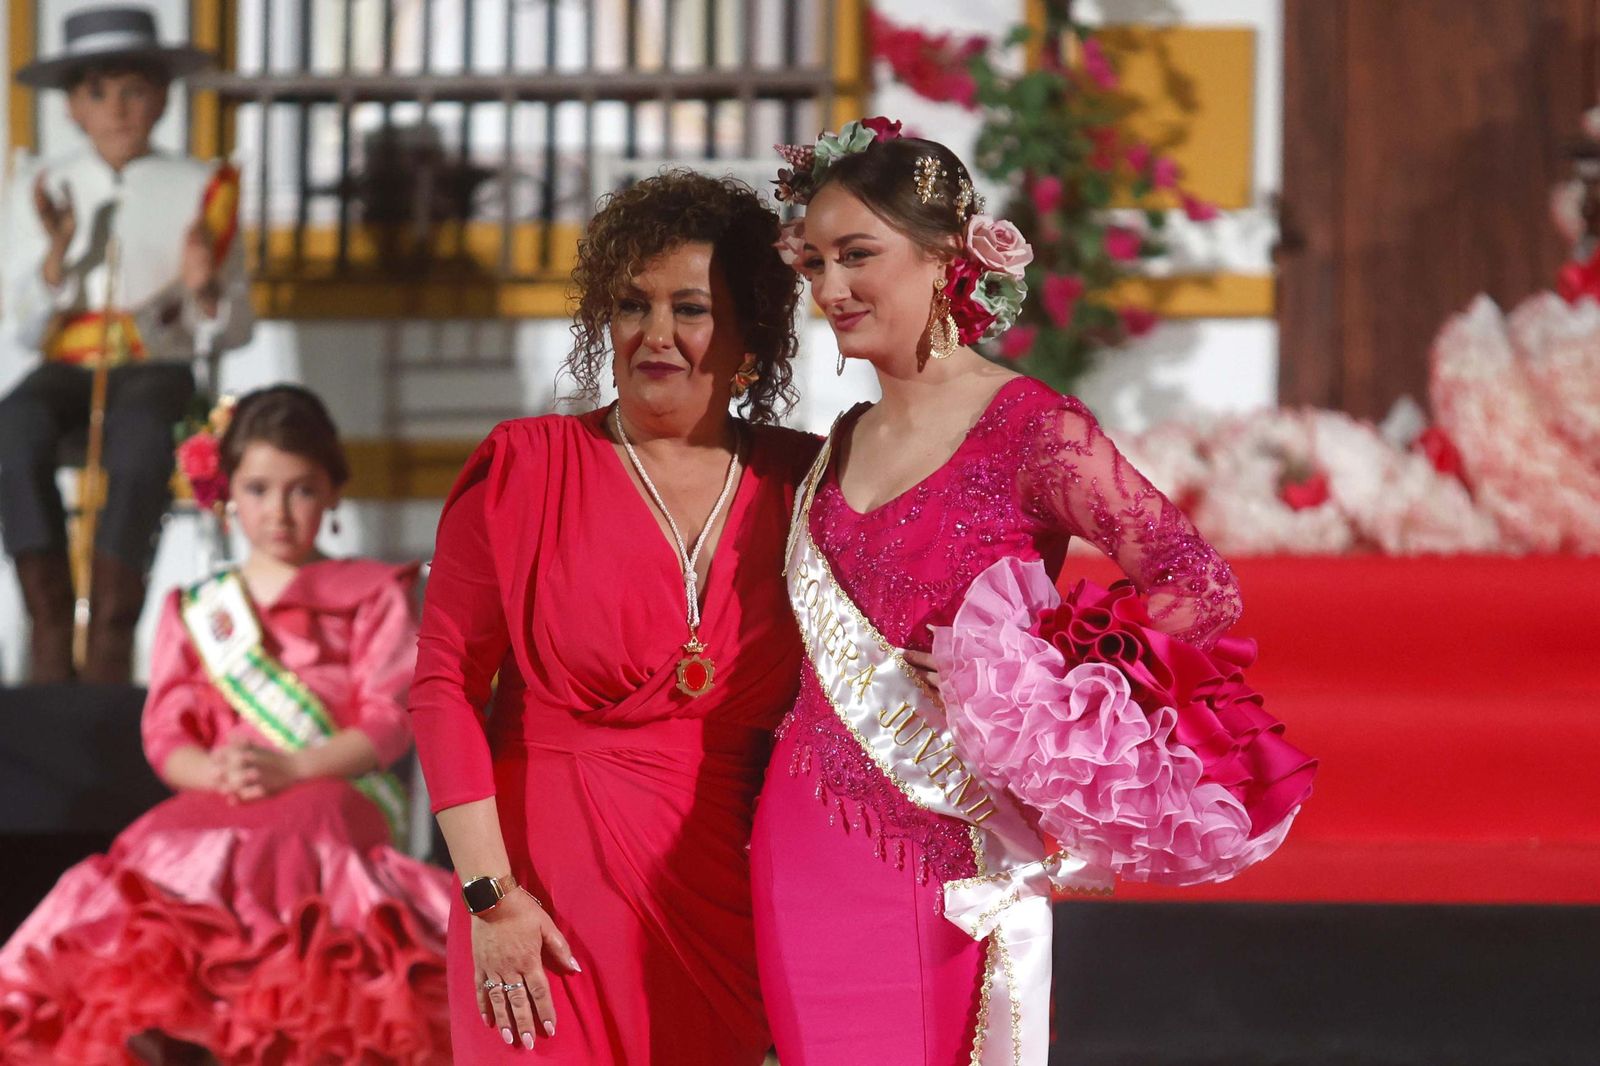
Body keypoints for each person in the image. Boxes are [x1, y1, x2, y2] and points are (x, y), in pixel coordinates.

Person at [751, 120, 1249, 1064]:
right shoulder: (841, 440)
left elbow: (1198, 587)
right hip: (804, 834)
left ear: (945, 258)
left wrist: (1041, 676)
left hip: (948, 835)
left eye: (858, 255)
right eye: (814, 263)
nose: (830, 289)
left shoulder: (1031, 428)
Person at [408, 170, 817, 1062]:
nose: (657, 334)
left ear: (753, 329)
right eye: (633, 304)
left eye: (691, 309)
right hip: (536, 908)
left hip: (725, 908)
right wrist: (490, 895)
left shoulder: (811, 482)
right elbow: (441, 688)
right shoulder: (523, 469)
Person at [0, 385, 453, 1065]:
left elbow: (390, 721)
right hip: (224, 793)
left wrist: (296, 767)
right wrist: (213, 770)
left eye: (302, 490)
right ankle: (173, 1026)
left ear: (333, 494)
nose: (279, 510)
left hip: (333, 791)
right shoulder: (199, 608)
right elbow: (166, 733)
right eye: (260, 488)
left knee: (286, 840)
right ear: (228, 492)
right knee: (160, 846)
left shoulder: (374, 593)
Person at [0, 4, 253, 684]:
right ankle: (46, 611)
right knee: (12, 425)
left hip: (155, 364)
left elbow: (236, 328)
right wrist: (55, 260)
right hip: (67, 364)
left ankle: (114, 621)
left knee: (143, 439)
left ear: (163, 97)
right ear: (73, 106)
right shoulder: (40, 185)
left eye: (135, 89)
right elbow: (18, 323)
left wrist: (203, 289)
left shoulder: (203, 188)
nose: (117, 108)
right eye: (97, 92)